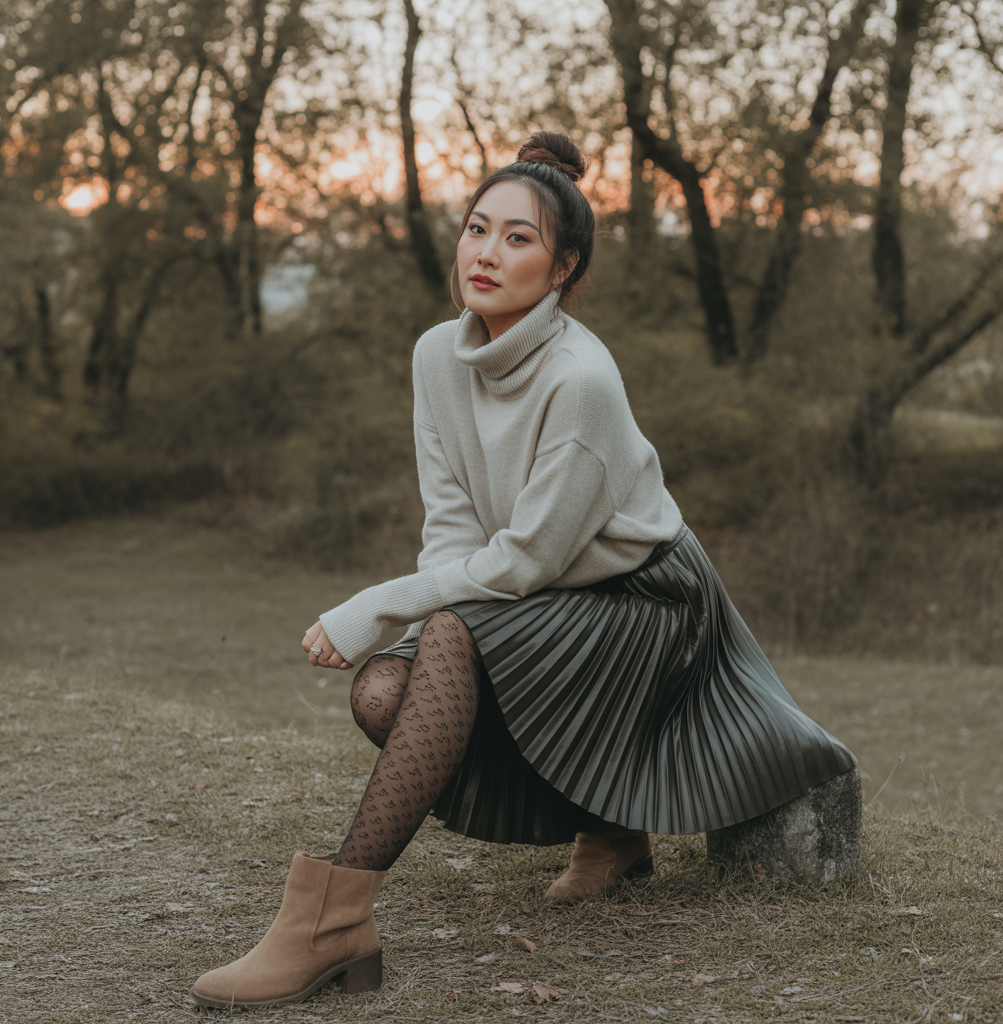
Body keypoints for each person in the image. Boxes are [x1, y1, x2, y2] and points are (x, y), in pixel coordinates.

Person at [190, 131, 856, 1009]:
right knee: (385, 693)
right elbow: (453, 527)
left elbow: (527, 559)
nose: (487, 253)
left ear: (563, 267)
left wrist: (383, 607)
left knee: (449, 635)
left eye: (518, 239)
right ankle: (614, 832)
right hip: (534, 589)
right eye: (477, 229)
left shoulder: (581, 381)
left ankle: (331, 922)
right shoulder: (437, 356)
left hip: (646, 601)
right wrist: (419, 622)